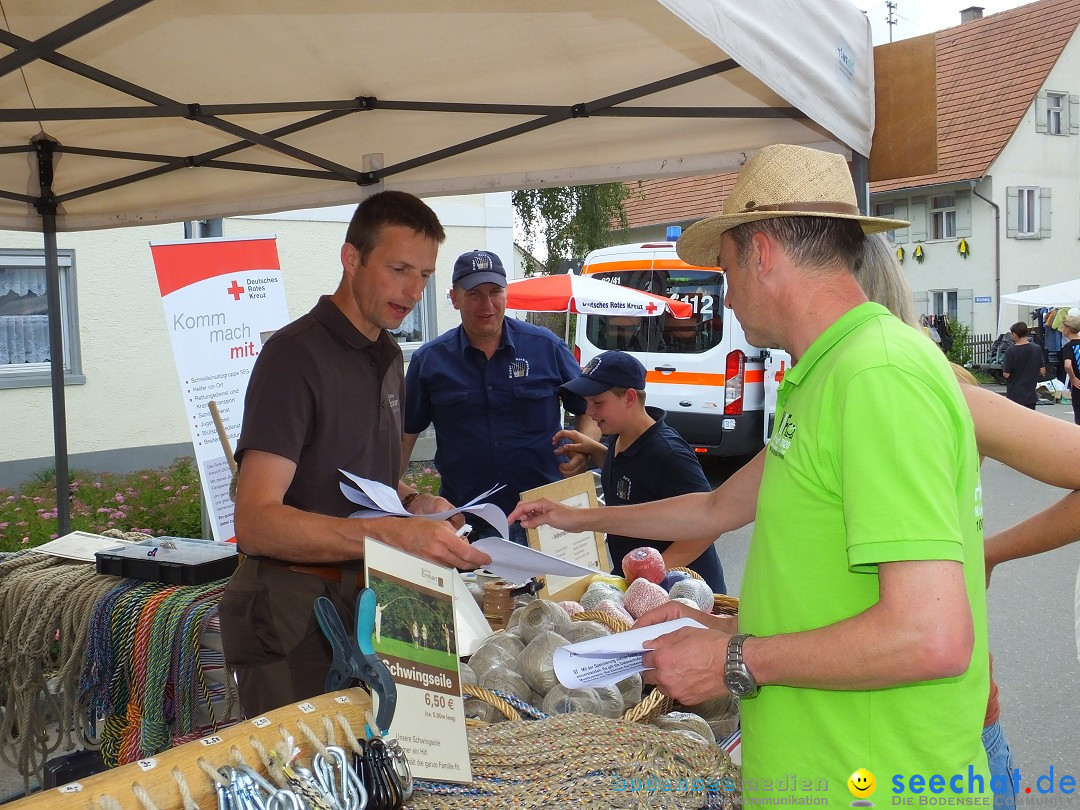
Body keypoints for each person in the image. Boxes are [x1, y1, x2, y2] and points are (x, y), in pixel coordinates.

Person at [512, 144, 991, 806]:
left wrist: (734, 659)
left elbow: (931, 636)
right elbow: (715, 511)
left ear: (763, 253)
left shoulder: (876, 377)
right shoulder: (825, 374)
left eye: (727, 268)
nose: (728, 295)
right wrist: (578, 518)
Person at [220, 191, 490, 717]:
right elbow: (255, 521)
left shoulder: (390, 357)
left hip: (366, 601)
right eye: (398, 269)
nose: (413, 292)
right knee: (305, 787)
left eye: (425, 276)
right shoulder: (293, 356)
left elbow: (366, 479)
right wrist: (390, 533)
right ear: (351, 259)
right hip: (291, 611)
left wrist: (412, 504)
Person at [401, 249, 594, 544]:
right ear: (454, 298)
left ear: (506, 293)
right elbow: (402, 440)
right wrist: (402, 496)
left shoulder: (546, 348)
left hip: (546, 517)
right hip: (465, 523)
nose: (487, 304)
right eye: (474, 294)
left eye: (495, 292)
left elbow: (590, 409)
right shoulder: (429, 362)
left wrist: (583, 449)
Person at [553, 350, 726, 592]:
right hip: (640, 586)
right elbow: (632, 477)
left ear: (630, 398)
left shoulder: (668, 453)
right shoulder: (622, 436)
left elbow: (711, 525)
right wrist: (593, 448)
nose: (589, 412)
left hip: (681, 593)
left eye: (597, 403)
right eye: (587, 402)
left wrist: (653, 572)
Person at [1002, 321, 1045, 409]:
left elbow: (1006, 374)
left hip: (1015, 395)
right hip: (1031, 395)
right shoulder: (1037, 349)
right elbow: (1042, 371)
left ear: (1015, 334)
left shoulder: (1010, 351)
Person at [1060, 313, 1080, 424]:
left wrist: (1072, 377)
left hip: (1078, 383)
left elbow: (1067, 365)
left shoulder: (1069, 346)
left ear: (1067, 329)